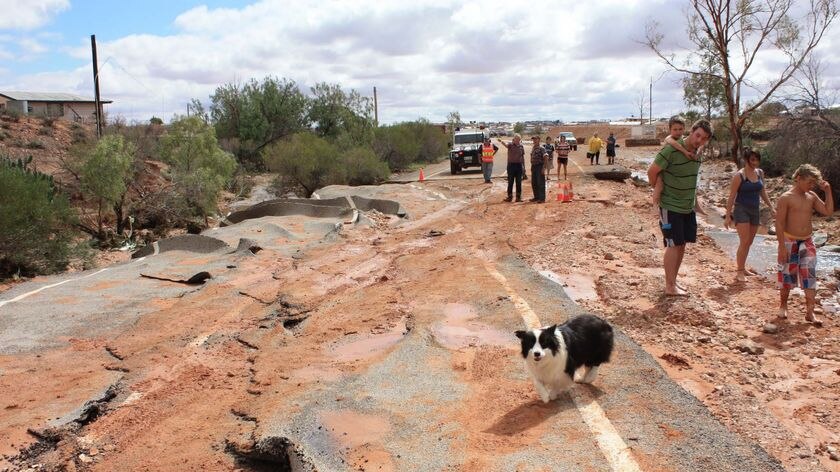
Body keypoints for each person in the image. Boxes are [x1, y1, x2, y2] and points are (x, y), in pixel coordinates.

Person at [647, 119, 714, 296]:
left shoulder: (698, 154)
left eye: (704, 138)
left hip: (687, 207)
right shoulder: (670, 150)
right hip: (670, 206)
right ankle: (669, 286)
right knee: (672, 244)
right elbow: (651, 172)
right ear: (691, 132)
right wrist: (659, 188)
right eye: (698, 135)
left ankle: (673, 283)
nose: (699, 140)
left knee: (682, 244)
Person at [775, 164, 833, 325]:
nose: (811, 186)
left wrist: (828, 191)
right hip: (789, 240)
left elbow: (828, 211)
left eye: (814, 183)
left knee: (809, 275)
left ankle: (810, 312)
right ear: (798, 178)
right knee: (786, 275)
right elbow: (779, 223)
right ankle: (783, 305)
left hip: (807, 240)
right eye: (809, 182)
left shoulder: (812, 196)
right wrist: (781, 246)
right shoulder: (786, 197)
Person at [723, 148, 775, 282]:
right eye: (752, 159)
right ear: (746, 160)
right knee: (744, 241)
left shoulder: (760, 173)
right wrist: (728, 216)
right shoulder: (739, 176)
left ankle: (743, 268)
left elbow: (762, 191)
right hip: (741, 210)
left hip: (755, 210)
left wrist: (771, 207)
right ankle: (739, 271)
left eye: (757, 159)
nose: (755, 162)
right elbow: (731, 196)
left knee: (750, 242)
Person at [498, 134, 525, 202]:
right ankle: (509, 197)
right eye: (516, 139)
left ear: (520, 140)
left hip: (519, 166)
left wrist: (523, 166)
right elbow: (505, 145)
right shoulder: (510, 145)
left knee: (519, 182)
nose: (517, 140)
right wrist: (501, 141)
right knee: (510, 182)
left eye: (518, 139)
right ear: (514, 139)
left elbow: (522, 157)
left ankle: (518, 197)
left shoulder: (521, 146)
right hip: (511, 166)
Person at [529, 136, 547, 203]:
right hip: (534, 166)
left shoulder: (541, 148)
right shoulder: (533, 148)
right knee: (534, 183)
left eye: (535, 139)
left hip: (539, 167)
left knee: (540, 183)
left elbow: (546, 157)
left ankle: (542, 199)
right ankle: (536, 197)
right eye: (533, 139)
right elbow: (531, 156)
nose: (534, 141)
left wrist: (543, 168)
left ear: (539, 140)